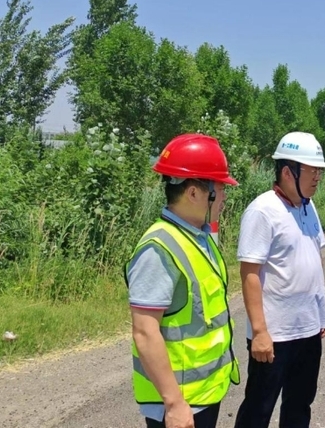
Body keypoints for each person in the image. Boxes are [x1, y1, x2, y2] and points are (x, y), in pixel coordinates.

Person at [124, 133, 240, 428]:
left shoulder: (199, 237)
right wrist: (173, 403)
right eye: (220, 188)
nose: (225, 196)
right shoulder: (158, 248)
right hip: (178, 406)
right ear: (193, 193)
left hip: (202, 395)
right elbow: (145, 331)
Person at [234, 131, 325, 428]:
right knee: (258, 409)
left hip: (307, 331)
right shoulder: (262, 211)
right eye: (312, 170)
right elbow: (249, 273)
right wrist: (260, 332)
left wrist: (322, 314)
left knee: (300, 404)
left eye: (319, 171)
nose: (317, 177)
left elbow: (313, 261)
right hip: (274, 337)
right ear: (288, 172)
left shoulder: (307, 206)